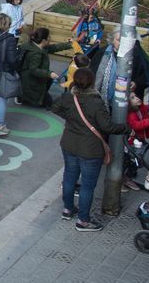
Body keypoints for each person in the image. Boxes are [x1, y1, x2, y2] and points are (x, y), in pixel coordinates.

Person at [51, 68, 128, 232]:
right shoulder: (96, 102)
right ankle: (83, 221)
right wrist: (126, 129)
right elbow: (107, 126)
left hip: (69, 144)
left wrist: (71, 119)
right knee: (87, 186)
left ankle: (67, 209)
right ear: (92, 83)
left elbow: (54, 107)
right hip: (90, 150)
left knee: (69, 178)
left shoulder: (68, 97)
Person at [18, 26, 72, 107]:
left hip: (30, 78)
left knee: (47, 95)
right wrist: (49, 74)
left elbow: (55, 47)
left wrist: (71, 44)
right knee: (49, 104)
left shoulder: (37, 45)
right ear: (43, 40)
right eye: (49, 37)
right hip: (30, 81)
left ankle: (28, 96)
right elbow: (33, 70)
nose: (50, 38)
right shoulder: (36, 54)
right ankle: (25, 97)